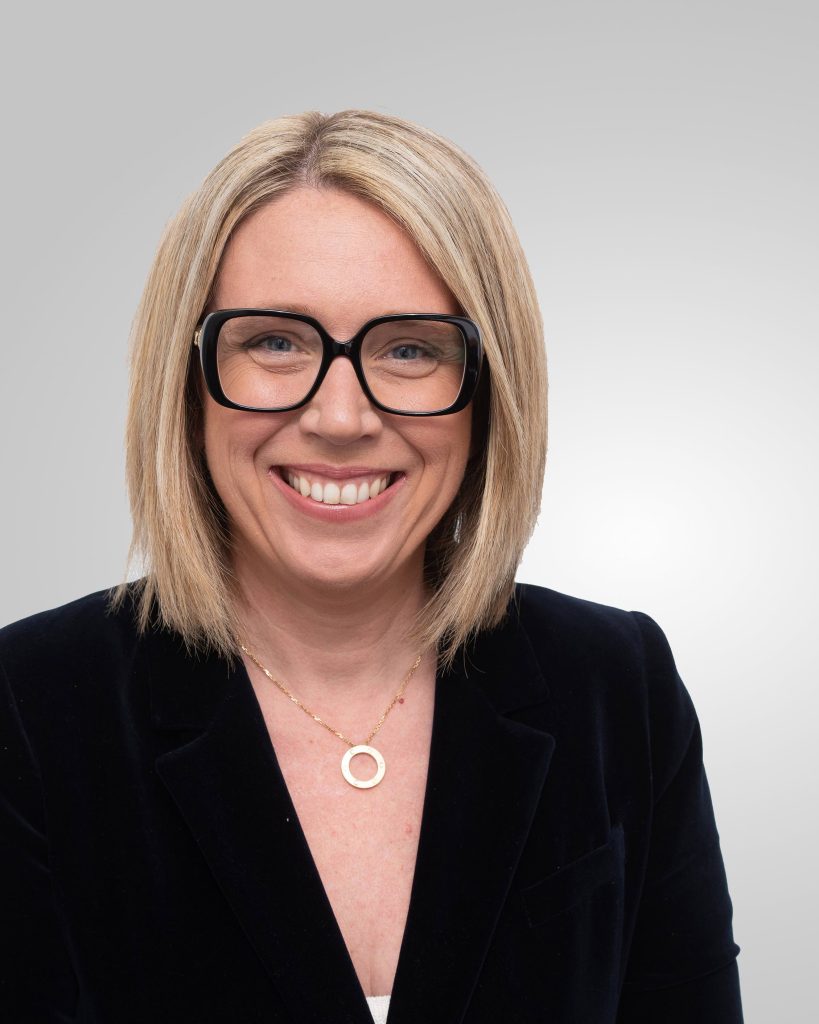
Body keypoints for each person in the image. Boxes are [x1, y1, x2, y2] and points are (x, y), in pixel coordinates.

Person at [0, 110, 743, 1023]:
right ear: (186, 379)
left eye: (410, 349)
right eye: (275, 341)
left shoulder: (616, 685)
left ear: (489, 389)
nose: (341, 418)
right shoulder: (30, 706)